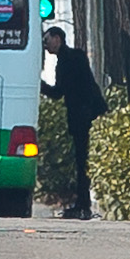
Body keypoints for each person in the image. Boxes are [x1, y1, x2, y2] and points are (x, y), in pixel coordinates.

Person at [41, 26, 106, 219]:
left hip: (83, 115)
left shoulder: (69, 60)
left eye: (47, 41)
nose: (45, 46)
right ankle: (82, 202)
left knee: (82, 160)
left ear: (58, 39)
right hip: (86, 113)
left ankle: (83, 204)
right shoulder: (73, 57)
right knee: (81, 160)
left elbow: (59, 91)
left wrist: (39, 84)